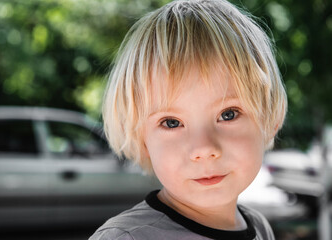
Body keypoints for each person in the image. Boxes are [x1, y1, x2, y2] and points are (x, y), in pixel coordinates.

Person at [89, 0, 287, 239]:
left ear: (269, 120)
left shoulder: (259, 228)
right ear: (142, 139)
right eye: (171, 122)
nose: (203, 149)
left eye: (228, 114)